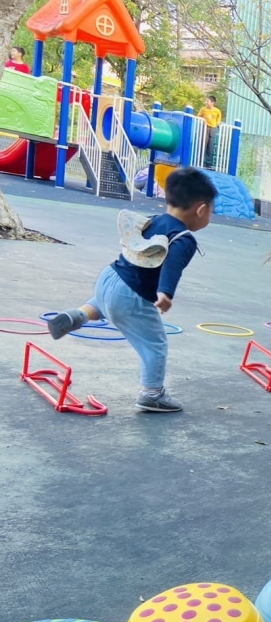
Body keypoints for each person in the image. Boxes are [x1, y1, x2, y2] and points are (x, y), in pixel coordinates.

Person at [46, 168, 217, 413]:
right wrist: (165, 293)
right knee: (155, 345)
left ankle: (77, 315)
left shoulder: (153, 220)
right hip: (131, 295)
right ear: (201, 209)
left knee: (104, 303)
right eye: (211, 210)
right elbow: (173, 265)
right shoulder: (183, 238)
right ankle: (152, 394)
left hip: (109, 278)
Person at [197, 95, 222, 169]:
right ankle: (200, 162)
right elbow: (198, 116)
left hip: (213, 128)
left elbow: (219, 117)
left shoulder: (217, 111)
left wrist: (218, 123)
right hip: (205, 127)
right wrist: (203, 120)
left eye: (208, 101)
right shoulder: (203, 109)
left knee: (210, 146)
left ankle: (208, 164)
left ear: (212, 102)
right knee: (203, 145)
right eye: (206, 101)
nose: (206, 102)